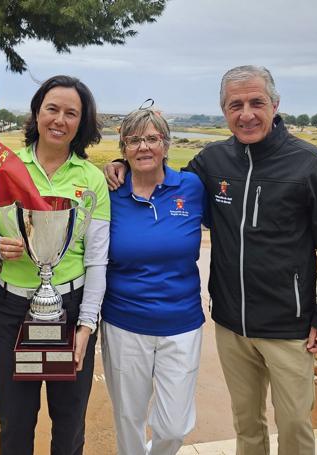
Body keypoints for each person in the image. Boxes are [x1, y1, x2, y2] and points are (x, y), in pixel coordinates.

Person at [105, 65, 317, 455]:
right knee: (247, 423)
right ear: (224, 111)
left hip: (288, 323)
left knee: (293, 423)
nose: (247, 113)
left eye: (256, 102)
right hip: (231, 323)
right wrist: (122, 166)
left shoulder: (310, 163)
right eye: (235, 105)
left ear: (275, 104)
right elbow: (165, 184)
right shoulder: (212, 161)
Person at [0, 75, 110, 455]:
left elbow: (97, 259)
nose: (60, 120)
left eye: (72, 113)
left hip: (70, 308)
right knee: (15, 422)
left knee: (69, 424)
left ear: (81, 123)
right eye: (52, 109)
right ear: (37, 113)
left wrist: (86, 324)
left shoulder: (92, 180)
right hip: (12, 309)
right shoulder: (2, 168)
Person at [101, 107, 206, 455]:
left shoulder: (191, 187)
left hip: (182, 323)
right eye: (133, 140)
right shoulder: (110, 191)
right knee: (129, 418)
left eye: (151, 138)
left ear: (166, 143)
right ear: (123, 147)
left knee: (174, 426)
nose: (143, 147)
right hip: (124, 323)